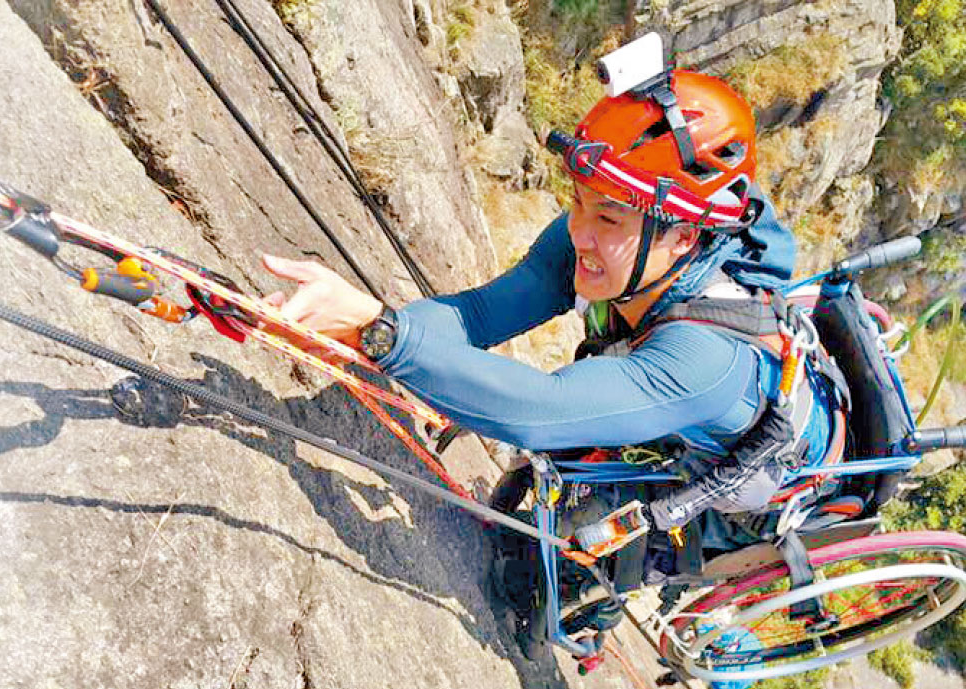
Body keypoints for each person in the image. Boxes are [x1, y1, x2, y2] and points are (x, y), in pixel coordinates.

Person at [259, 65, 843, 651]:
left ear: (684, 237)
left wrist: (381, 334)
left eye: (607, 218)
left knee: (575, 554)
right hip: (659, 385)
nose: (578, 233)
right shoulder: (631, 234)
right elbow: (482, 316)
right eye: (578, 202)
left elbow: (542, 410)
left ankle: (589, 608)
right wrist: (380, 330)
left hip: (744, 475)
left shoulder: (705, 360)